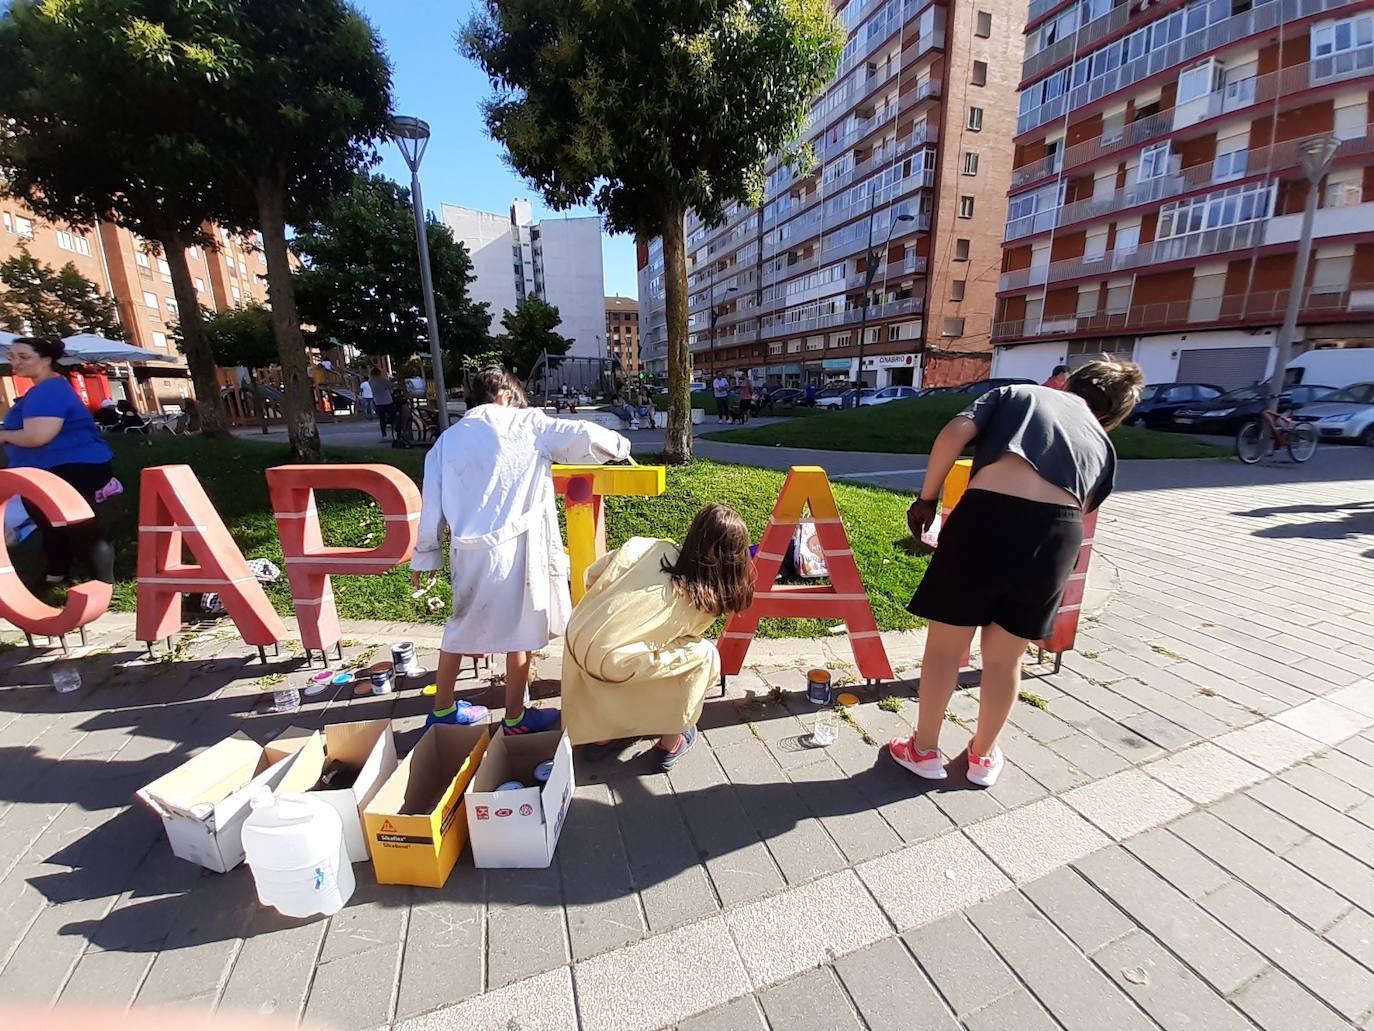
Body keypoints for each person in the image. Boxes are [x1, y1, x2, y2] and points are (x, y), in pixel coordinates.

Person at [892, 360, 1143, 787]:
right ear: (1113, 416)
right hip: (1058, 534)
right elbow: (1086, 506)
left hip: (985, 519)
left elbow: (954, 432)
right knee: (1006, 658)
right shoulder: (1103, 441)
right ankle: (982, 757)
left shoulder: (1017, 394)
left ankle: (924, 750)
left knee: (945, 650)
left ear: (1066, 382)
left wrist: (927, 499)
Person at [411, 367, 631, 732]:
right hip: (518, 549)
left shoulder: (447, 441)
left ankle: (443, 708)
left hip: (468, 551)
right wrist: (621, 447)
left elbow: (431, 501)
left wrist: (427, 552)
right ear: (504, 397)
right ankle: (515, 717)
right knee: (522, 631)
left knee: (460, 627)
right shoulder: (526, 423)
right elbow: (586, 435)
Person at [561, 504, 755, 769]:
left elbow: (594, 573)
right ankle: (671, 739)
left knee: (627, 649)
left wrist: (605, 616)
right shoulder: (704, 603)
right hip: (612, 661)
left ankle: (603, 735)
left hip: (577, 631)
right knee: (701, 656)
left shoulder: (650, 547)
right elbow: (668, 654)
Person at [0, 336, 116, 586]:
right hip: (55, 468)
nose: (15, 362)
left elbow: (37, 436)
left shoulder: (48, 390)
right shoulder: (46, 388)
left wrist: (3, 435)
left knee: (76, 527)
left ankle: (102, 583)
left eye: (23, 356)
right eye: (12, 356)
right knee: (53, 524)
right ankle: (57, 576)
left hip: (66, 468)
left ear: (46, 359)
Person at [367, 366, 394, 440]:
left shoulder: (370, 381)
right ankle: (391, 425)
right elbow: (391, 386)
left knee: (381, 418)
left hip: (378, 401)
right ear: (379, 373)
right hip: (387, 400)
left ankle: (384, 434)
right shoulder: (383, 380)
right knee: (392, 415)